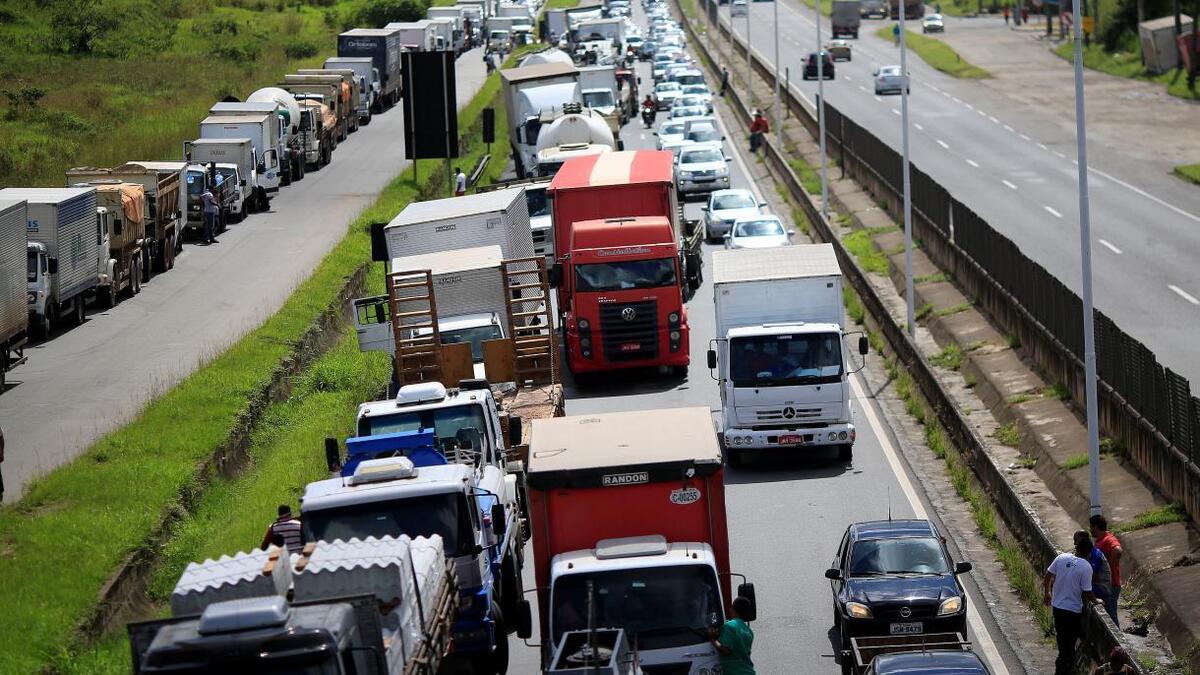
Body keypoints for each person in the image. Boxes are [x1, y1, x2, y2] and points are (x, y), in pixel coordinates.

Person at [1044, 537, 1100, 675]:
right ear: (1089, 552)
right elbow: (1087, 592)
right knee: (1069, 641)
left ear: (1076, 547)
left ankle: (1064, 663)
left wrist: (1047, 593)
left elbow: (1048, 575)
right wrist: (1096, 601)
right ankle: (1066, 666)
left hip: (1057, 606)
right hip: (1073, 610)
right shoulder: (1086, 567)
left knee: (1062, 637)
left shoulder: (1061, 557)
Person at [708, 596, 755, 675]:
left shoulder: (729, 626)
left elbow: (725, 650)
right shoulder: (749, 631)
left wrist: (713, 639)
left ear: (732, 608)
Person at [1091, 514, 1124, 625]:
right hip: (1105, 584)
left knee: (1111, 619)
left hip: (1110, 584)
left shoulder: (1108, 539)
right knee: (1107, 618)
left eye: (1091, 527)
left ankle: (1118, 643)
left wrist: (1109, 568)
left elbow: (1118, 550)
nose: (1090, 530)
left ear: (1095, 527)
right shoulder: (1101, 540)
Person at [1074, 530, 1113, 605]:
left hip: (1102, 587)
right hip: (1094, 585)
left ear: (1083, 540)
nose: (1074, 543)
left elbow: (1092, 577)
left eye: (1076, 540)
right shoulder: (1083, 553)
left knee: (1079, 590)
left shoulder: (1095, 554)